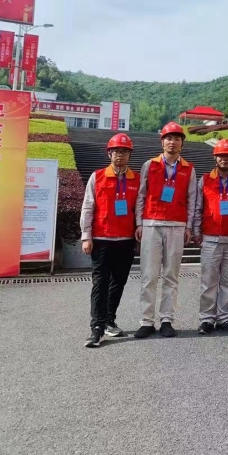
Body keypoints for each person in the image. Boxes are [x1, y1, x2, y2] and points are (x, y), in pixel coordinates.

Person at [134, 122, 197, 339]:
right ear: (162, 142)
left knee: (171, 276)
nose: (173, 142)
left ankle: (167, 320)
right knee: (149, 275)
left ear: (182, 143)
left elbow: (191, 199)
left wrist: (189, 226)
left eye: (177, 139)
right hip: (151, 224)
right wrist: (139, 223)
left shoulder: (188, 169)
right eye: (169, 138)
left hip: (176, 226)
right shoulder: (149, 165)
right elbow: (141, 195)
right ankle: (146, 321)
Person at [80, 133, 140, 347]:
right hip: (101, 239)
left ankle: (109, 319)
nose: (120, 155)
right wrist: (86, 236)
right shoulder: (97, 177)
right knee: (100, 283)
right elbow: (88, 207)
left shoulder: (137, 179)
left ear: (129, 155)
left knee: (119, 282)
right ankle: (96, 328)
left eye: (124, 151)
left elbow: (139, 208)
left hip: (125, 240)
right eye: (116, 151)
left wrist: (139, 230)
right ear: (109, 153)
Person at [193, 139, 228, 335]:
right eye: (221, 155)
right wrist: (196, 231)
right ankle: (207, 318)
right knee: (208, 281)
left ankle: (225, 317)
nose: (224, 159)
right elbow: (198, 207)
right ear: (215, 158)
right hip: (210, 237)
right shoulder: (205, 180)